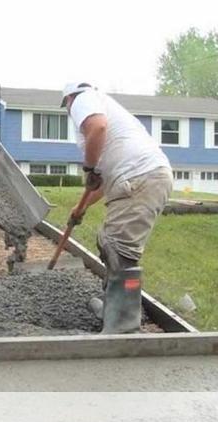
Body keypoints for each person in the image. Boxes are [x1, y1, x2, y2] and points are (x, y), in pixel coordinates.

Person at [61, 82, 173, 334]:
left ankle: (122, 324)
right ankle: (114, 308)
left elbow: (97, 127)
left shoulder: (84, 99)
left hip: (140, 177)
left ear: (69, 99)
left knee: (119, 249)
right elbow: (100, 183)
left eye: (67, 105)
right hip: (141, 177)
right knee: (109, 242)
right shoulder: (110, 115)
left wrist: (88, 167)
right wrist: (81, 208)